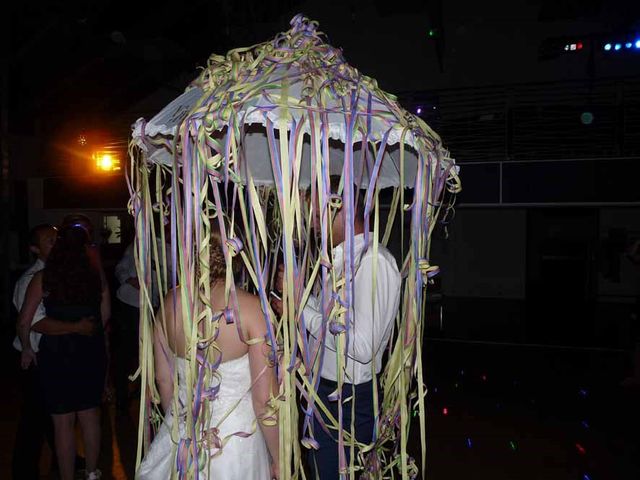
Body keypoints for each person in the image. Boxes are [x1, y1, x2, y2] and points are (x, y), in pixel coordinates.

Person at [272, 180, 402, 479]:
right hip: (324, 391)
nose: (314, 224)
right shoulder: (341, 260)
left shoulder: (373, 262)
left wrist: (300, 310)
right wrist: (300, 294)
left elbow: (362, 347)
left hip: (350, 401)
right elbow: (326, 320)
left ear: (340, 206)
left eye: (317, 215)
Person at [137, 231, 280, 479]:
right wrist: (279, 457)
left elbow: (164, 381)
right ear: (234, 260)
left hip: (183, 435)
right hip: (235, 443)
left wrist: (180, 427)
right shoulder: (251, 309)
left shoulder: (169, 303)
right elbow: (263, 400)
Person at [18, 224, 110, 480]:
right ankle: (92, 472)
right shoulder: (94, 275)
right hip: (90, 350)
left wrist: (26, 347)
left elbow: (25, 321)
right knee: (90, 414)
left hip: (58, 354)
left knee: (62, 423)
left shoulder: (43, 278)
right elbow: (105, 315)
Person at [11, 224, 56, 480]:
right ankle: (24, 471)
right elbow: (34, 322)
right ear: (35, 249)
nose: (57, 243)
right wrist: (75, 327)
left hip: (52, 358)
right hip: (35, 359)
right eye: (50, 241)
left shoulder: (59, 274)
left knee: (53, 415)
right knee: (33, 420)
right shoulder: (30, 280)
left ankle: (64, 459)